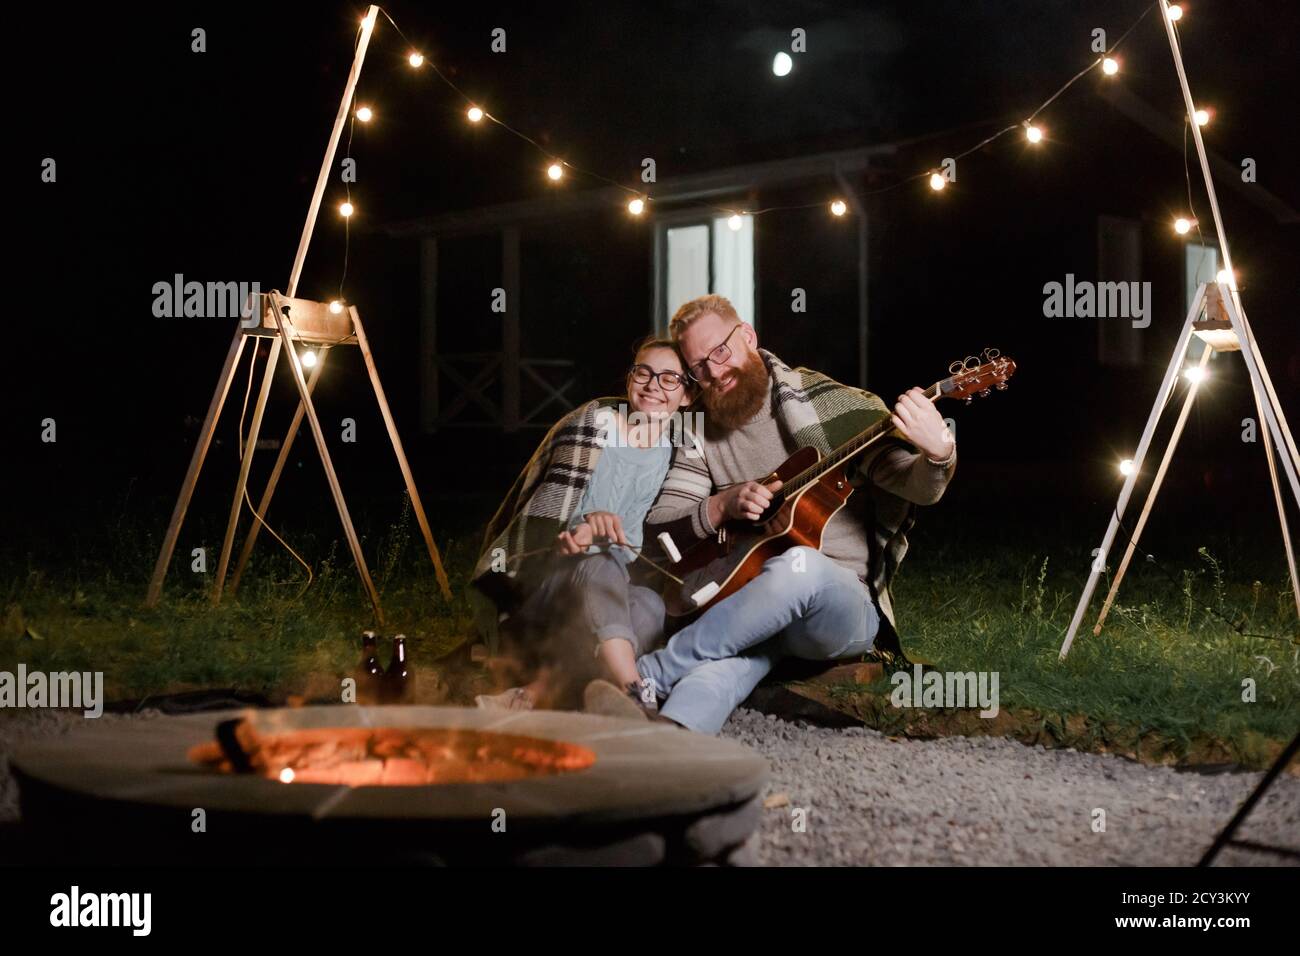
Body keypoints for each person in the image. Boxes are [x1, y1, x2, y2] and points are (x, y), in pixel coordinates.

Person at [638, 294, 957, 733]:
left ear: (747, 336)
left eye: (721, 352)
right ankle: (667, 743)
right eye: (698, 367)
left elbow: (913, 483)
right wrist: (723, 503)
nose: (713, 372)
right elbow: (661, 528)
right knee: (722, 668)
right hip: (748, 605)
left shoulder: (829, 406)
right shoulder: (700, 432)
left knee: (799, 565)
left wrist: (938, 454)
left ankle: (650, 673)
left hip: (836, 612)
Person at [470, 336, 694, 719]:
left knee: (650, 605)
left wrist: (608, 539)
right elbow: (543, 527)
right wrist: (580, 533)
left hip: (594, 600)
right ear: (629, 381)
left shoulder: (670, 453)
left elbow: (630, 546)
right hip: (541, 590)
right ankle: (638, 698)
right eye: (644, 372)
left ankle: (532, 694)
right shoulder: (590, 429)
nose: (654, 385)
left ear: (686, 397)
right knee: (600, 565)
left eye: (670, 378)